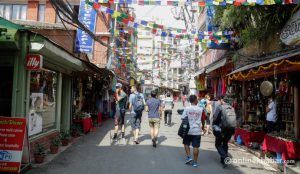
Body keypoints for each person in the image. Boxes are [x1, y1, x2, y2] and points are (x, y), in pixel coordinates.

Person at [213, 96, 236, 168]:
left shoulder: (220, 107)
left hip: (222, 129)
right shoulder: (232, 108)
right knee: (225, 143)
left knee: (218, 144)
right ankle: (223, 161)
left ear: (222, 100)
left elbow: (216, 118)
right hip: (230, 129)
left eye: (220, 100)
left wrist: (214, 125)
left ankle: (225, 156)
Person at [181, 95, 203, 168]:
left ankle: (189, 157)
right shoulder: (200, 109)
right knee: (196, 146)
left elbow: (182, 117)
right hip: (197, 130)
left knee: (186, 143)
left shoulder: (187, 108)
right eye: (197, 99)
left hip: (188, 130)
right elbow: (203, 119)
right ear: (195, 100)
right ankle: (195, 162)